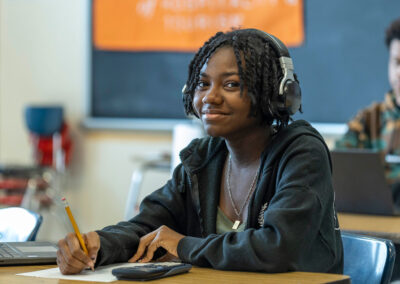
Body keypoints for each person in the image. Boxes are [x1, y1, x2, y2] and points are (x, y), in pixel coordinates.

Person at [57, 28, 343, 275]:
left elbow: (278, 248)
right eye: (202, 84)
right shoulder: (203, 159)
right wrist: (99, 244)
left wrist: (182, 245)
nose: (210, 97)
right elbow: (148, 227)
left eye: (231, 84)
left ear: (276, 94)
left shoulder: (301, 152)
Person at [335, 18, 400, 202]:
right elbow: (338, 168)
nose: (399, 73)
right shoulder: (369, 119)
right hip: (374, 225)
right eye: (396, 62)